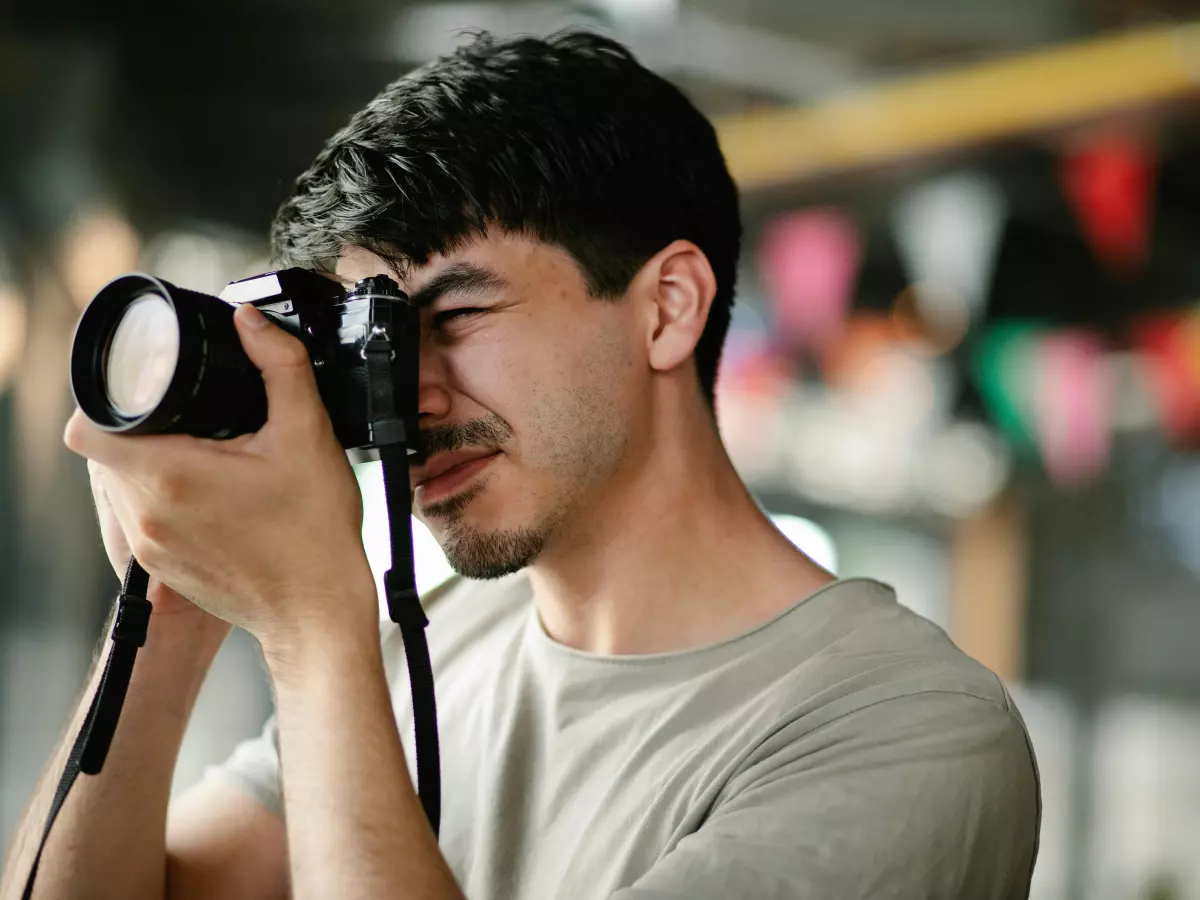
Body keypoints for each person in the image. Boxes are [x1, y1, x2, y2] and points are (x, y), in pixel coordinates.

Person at [0, 30, 1040, 900]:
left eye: (455, 316)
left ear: (668, 308)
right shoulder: (442, 643)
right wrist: (170, 607)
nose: (409, 395)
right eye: (378, 345)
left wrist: (314, 627)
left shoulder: (903, 725)